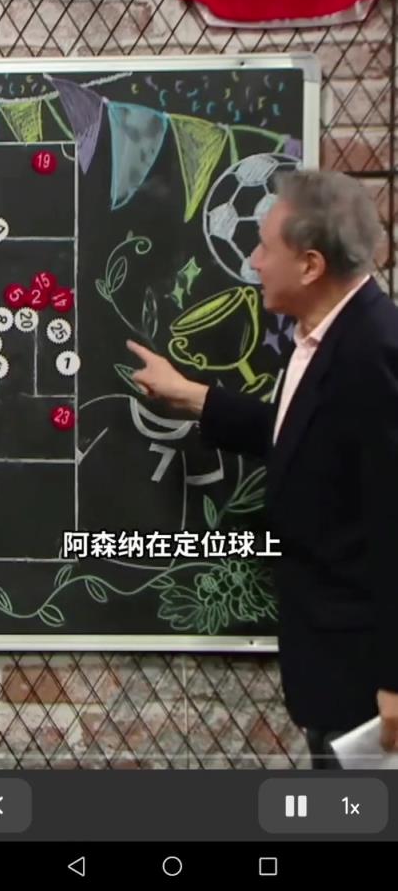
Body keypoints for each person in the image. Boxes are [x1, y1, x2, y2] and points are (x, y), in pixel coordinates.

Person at [127, 170, 398, 769]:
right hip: (333, 670)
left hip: (365, 688)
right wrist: (194, 397)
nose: (252, 262)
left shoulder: (373, 352)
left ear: (310, 265)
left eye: (264, 247)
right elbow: (306, 435)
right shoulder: (329, 337)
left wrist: (394, 681)